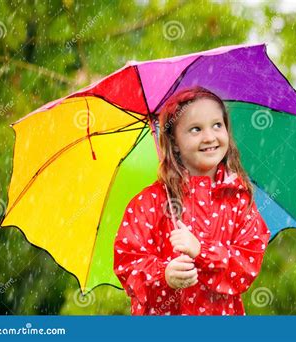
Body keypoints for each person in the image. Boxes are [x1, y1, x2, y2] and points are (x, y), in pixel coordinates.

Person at [113, 86, 270, 315]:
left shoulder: (238, 200)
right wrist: (164, 275)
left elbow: (246, 265)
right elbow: (128, 264)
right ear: (174, 142)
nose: (209, 137)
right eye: (195, 129)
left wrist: (202, 251)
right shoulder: (149, 203)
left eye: (217, 125)